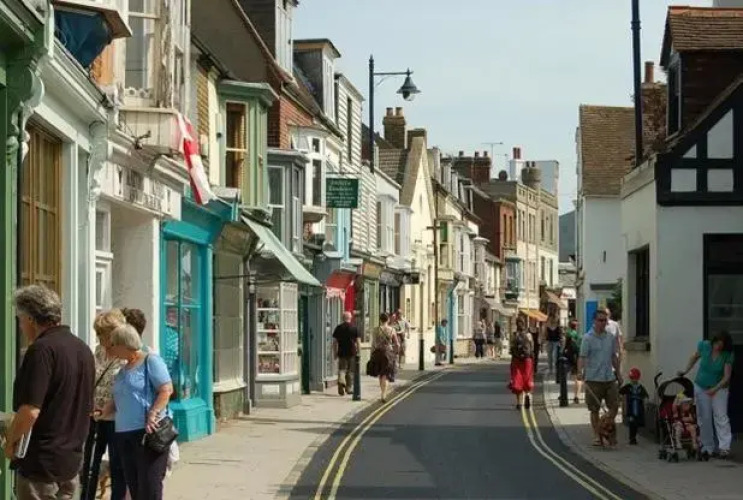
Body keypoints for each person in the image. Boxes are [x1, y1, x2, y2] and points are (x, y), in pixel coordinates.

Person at [6, 285, 95, 500]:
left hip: (42, 463)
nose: (21, 327)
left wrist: (10, 442)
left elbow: (30, 410)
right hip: (71, 460)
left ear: (30, 319)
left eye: (20, 320)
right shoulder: (82, 348)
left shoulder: (42, 349)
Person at [99, 324, 173, 499]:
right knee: (134, 486)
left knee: (149, 486)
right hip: (124, 434)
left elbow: (166, 389)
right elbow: (119, 398)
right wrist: (102, 412)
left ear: (124, 344)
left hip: (147, 432)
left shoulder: (151, 361)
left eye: (113, 344)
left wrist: (154, 413)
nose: (110, 348)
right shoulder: (123, 370)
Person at [80, 309, 128, 500]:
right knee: (90, 466)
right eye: (98, 333)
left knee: (117, 467)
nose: (99, 337)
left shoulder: (125, 354)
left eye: (102, 333)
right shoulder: (99, 352)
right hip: (95, 416)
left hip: (117, 419)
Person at [678, 331, 734, 460]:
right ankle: (707, 447)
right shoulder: (704, 346)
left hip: (719, 388)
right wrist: (685, 370)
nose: (718, 347)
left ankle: (724, 448)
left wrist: (714, 389)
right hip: (701, 386)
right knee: (704, 416)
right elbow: (694, 357)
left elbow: (727, 376)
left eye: (721, 345)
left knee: (720, 416)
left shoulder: (727, 354)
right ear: (713, 341)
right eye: (717, 344)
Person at [577, 309, 621, 447]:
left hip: (609, 377)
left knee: (614, 406)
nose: (603, 323)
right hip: (593, 378)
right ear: (594, 321)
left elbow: (613, 356)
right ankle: (597, 435)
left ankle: (604, 425)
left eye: (605, 320)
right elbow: (582, 357)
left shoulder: (610, 337)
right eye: (600, 320)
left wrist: (618, 373)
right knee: (594, 409)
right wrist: (580, 372)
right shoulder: (587, 338)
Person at [366, 313, 399, 402]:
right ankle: (383, 394)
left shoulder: (375, 330)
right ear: (388, 320)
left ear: (380, 320)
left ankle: (382, 392)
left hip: (377, 353)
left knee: (381, 374)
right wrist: (396, 353)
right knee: (386, 374)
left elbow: (373, 344)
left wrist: (371, 354)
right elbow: (397, 344)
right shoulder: (392, 330)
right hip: (388, 354)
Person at [508, 316, 534, 410]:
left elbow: (511, 348)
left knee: (517, 379)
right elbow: (532, 348)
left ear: (516, 324)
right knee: (527, 378)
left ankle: (519, 403)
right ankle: (527, 394)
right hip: (527, 360)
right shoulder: (529, 335)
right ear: (524, 323)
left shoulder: (514, 335)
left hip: (516, 360)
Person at [332, 312, 360, 396]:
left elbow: (335, 342)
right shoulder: (354, 328)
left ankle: (341, 381)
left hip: (341, 352)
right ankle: (348, 388)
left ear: (343, 318)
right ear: (350, 318)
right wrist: (359, 351)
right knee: (350, 371)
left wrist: (335, 352)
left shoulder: (339, 328)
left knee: (342, 369)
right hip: (352, 352)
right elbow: (358, 342)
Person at [618, 367, 649, 445]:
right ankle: (632, 439)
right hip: (631, 408)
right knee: (632, 423)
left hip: (638, 409)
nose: (634, 380)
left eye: (635, 378)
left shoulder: (640, 387)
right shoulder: (628, 387)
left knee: (637, 424)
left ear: (638, 378)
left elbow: (645, 396)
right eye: (632, 378)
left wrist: (645, 404)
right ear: (630, 378)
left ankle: (633, 437)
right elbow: (620, 392)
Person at [566, 320, 583, 403]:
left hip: (569, 357)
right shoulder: (579, 336)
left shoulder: (568, 333)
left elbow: (565, 346)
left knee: (571, 377)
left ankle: (567, 395)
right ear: (576, 327)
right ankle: (577, 396)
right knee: (578, 378)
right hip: (578, 357)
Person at [541, 310, 563, 376]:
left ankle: (555, 369)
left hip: (556, 342)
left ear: (554, 318)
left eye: (552, 318)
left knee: (555, 356)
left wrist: (561, 342)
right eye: (550, 318)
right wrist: (543, 341)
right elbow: (544, 334)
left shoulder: (558, 326)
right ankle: (550, 369)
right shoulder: (547, 326)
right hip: (549, 342)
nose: (551, 319)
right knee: (549, 356)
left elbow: (561, 334)